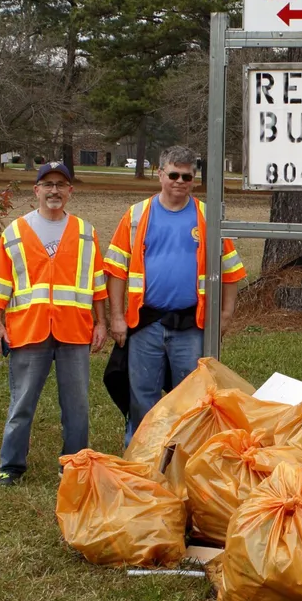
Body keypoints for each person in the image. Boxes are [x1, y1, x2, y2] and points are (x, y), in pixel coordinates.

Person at [104, 145, 247, 443]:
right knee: (142, 394)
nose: (180, 182)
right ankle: (141, 452)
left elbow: (231, 270)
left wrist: (225, 315)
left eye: (187, 176)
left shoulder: (207, 217)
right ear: (160, 174)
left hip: (191, 325)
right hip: (145, 324)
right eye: (173, 175)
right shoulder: (136, 216)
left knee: (191, 396)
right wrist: (116, 317)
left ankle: (184, 453)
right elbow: (116, 270)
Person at [0, 161, 108, 485]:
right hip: (29, 330)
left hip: (74, 330)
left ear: (70, 191)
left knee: (77, 406)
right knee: (21, 403)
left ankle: (74, 464)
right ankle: (11, 466)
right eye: (47, 184)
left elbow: (97, 284)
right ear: (36, 190)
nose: (54, 190)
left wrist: (101, 322)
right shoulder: (15, 231)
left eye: (60, 185)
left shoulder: (85, 233)